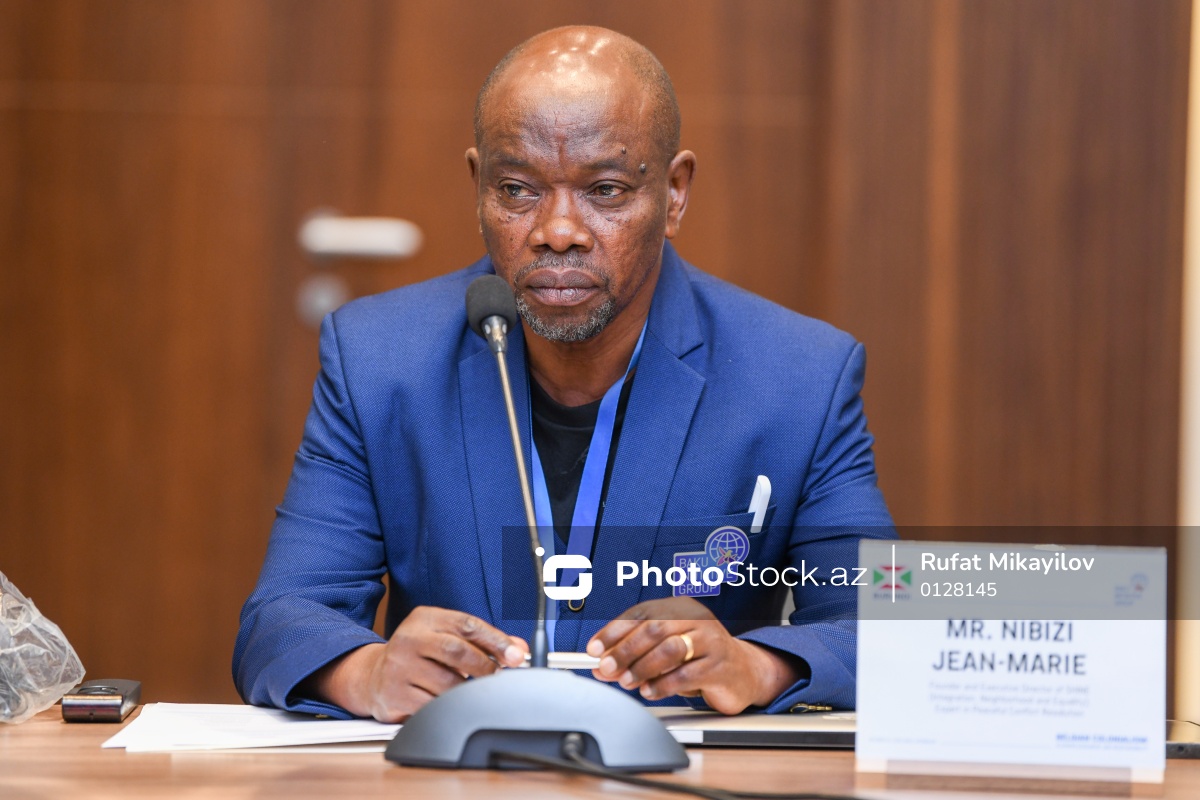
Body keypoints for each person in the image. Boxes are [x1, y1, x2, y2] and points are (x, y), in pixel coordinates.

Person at [233, 25, 894, 723]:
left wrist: (755, 664)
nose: (557, 231)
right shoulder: (378, 359)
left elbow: (893, 629)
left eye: (605, 190)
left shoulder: (800, 377)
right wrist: (367, 672)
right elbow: (280, 618)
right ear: (478, 187)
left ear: (674, 194)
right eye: (517, 189)